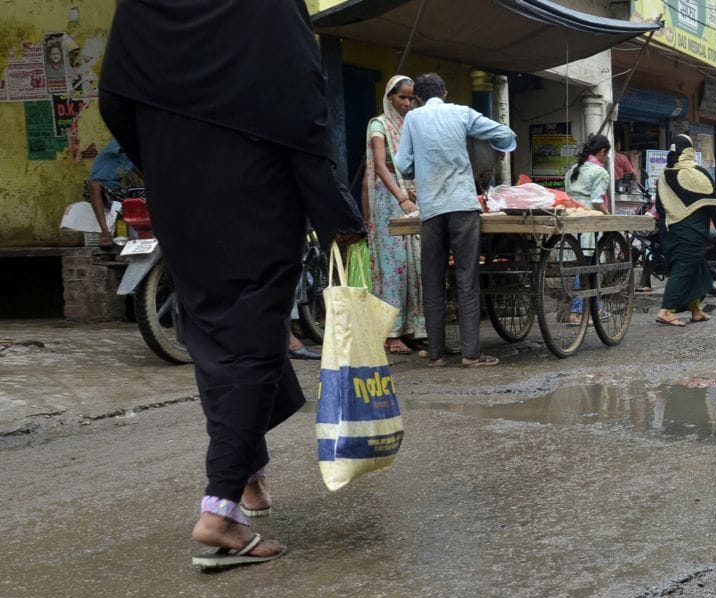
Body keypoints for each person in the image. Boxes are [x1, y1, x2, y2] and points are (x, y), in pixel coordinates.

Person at [99, 0, 364, 568]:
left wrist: (172, 158)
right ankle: (219, 515)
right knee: (250, 336)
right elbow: (304, 114)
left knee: (214, 327)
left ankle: (248, 476)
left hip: (179, 188)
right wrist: (336, 214)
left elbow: (115, 101)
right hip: (256, 191)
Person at [394, 72, 516, 369]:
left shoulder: (412, 119)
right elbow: (506, 136)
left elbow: (404, 165)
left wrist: (421, 170)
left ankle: (436, 355)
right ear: (445, 92)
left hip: (431, 209)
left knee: (433, 281)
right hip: (462, 205)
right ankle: (470, 354)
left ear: (419, 97)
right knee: (466, 279)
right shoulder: (462, 113)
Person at [364, 75, 425, 355]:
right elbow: (379, 164)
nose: (407, 103)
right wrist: (400, 196)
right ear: (390, 97)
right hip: (388, 200)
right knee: (394, 267)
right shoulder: (378, 124)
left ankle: (414, 328)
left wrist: (412, 191)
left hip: (410, 200)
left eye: (411, 98)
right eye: (402, 97)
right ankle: (390, 332)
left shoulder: (409, 125)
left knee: (416, 264)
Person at [654, 133, 716, 326]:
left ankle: (696, 310)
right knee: (683, 270)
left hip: (670, 231)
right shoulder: (697, 173)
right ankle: (666, 310)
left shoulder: (664, 175)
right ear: (689, 152)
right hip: (690, 233)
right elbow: (714, 206)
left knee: (697, 270)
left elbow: (660, 206)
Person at [564, 133, 612, 324]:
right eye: (606, 154)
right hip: (588, 220)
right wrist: (609, 217)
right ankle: (576, 311)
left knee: (586, 265)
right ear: (602, 152)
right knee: (587, 265)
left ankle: (595, 308)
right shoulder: (600, 172)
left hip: (570, 219)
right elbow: (597, 200)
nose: (606, 158)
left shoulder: (573, 169)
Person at [83, 138, 138, 248]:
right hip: (99, 187)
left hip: (116, 190)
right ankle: (105, 232)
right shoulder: (116, 145)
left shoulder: (131, 158)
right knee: (93, 185)